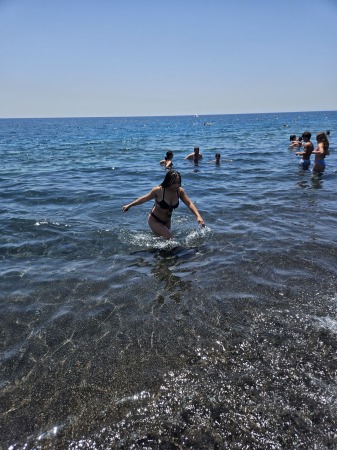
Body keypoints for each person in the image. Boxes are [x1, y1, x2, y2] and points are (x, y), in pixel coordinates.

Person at [122, 170, 205, 239]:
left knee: (161, 241)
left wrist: (198, 216)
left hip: (167, 221)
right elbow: (144, 199)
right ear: (168, 181)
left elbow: (189, 203)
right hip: (154, 220)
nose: (176, 185)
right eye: (174, 183)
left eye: (178, 182)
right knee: (170, 238)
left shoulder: (179, 191)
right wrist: (129, 205)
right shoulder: (158, 190)